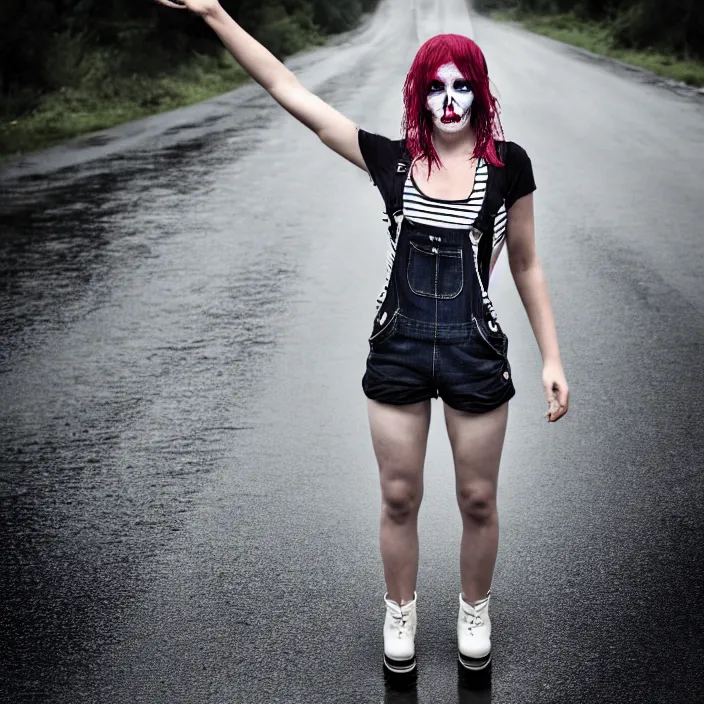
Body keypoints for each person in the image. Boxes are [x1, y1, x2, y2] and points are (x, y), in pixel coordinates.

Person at [155, 0, 570, 675]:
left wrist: (552, 357)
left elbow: (525, 262)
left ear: (480, 91)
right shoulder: (392, 159)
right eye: (435, 86)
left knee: (478, 499)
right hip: (399, 348)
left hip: (474, 353)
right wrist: (215, 14)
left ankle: (474, 609)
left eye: (462, 84)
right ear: (419, 92)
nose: (449, 98)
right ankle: (399, 611)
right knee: (400, 495)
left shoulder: (509, 166)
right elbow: (292, 93)